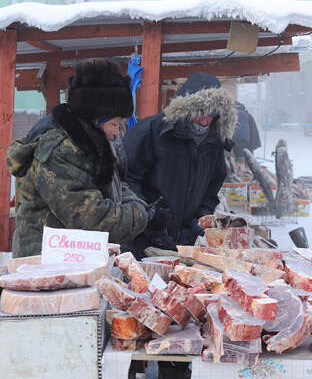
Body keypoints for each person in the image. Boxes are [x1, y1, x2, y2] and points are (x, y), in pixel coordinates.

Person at [6, 59, 152, 257]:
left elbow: (119, 186)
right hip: (44, 264)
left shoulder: (100, 142)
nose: (118, 133)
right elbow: (92, 219)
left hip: (77, 258)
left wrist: (139, 206)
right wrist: (142, 215)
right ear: (94, 120)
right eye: (115, 125)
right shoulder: (59, 151)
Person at [123, 72, 237, 258]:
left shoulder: (215, 142)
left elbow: (212, 188)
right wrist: (148, 215)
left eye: (212, 114)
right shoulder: (152, 131)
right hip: (140, 236)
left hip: (184, 239)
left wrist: (199, 220)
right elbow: (126, 178)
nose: (205, 120)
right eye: (200, 112)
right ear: (186, 107)